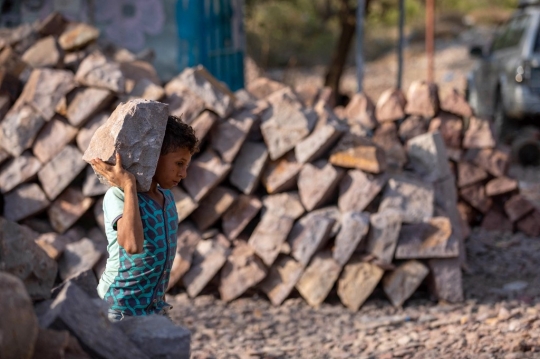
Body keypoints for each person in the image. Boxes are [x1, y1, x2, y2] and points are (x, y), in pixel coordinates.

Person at [90, 115, 199, 321]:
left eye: (186, 165)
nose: (183, 173)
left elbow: (160, 262)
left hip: (154, 309)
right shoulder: (118, 196)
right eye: (179, 163)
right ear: (154, 156)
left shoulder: (166, 198)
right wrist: (129, 185)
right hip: (118, 307)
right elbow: (132, 245)